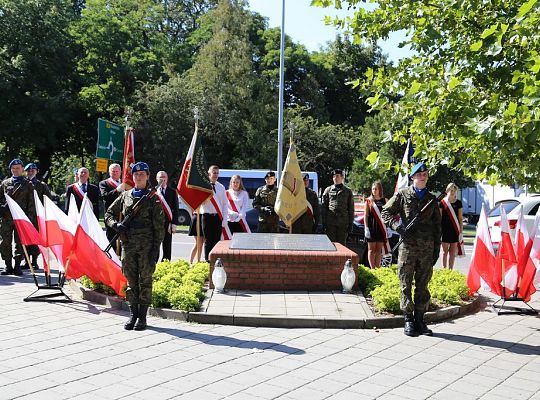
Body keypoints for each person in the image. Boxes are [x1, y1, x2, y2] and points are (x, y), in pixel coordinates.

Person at [382, 162, 441, 337]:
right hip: (407, 248)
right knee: (405, 284)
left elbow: (437, 226)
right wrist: (397, 227)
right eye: (419, 174)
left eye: (425, 174)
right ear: (413, 177)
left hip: (426, 249)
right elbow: (386, 212)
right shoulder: (403, 195)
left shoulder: (432, 199)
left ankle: (420, 320)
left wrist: (436, 249)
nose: (422, 176)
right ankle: (408, 320)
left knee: (423, 286)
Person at [105, 162, 164, 331]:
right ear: (132, 177)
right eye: (136, 174)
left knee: (145, 281)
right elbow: (109, 213)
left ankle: (143, 318)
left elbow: (159, 226)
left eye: (142, 174)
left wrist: (155, 248)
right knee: (131, 281)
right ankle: (133, 315)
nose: (139, 177)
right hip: (128, 244)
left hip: (146, 246)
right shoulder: (125, 195)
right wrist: (116, 225)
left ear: (147, 176)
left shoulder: (153, 198)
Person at [0, 159, 35, 276]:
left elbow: (31, 203)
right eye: (13, 168)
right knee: (5, 242)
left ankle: (17, 266)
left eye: (18, 168)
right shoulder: (5, 183)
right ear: (11, 169)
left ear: (22, 169)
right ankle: (8, 265)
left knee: (20, 242)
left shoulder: (28, 184)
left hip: (21, 218)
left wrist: (29, 219)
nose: (15, 170)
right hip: (6, 217)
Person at [23, 162, 51, 270]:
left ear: (36, 171)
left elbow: (47, 200)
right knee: (24, 239)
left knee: (35, 240)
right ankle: (26, 261)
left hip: (36, 217)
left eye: (32, 170)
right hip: (24, 217)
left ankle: (34, 260)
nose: (30, 172)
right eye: (28, 171)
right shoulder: (22, 184)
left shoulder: (42, 185)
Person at [199, 165, 228, 261]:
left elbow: (224, 204)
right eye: (214, 172)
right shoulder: (203, 186)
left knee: (217, 241)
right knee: (208, 241)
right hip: (206, 217)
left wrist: (224, 219)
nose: (215, 175)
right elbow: (199, 202)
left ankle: (216, 261)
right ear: (209, 174)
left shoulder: (221, 187)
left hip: (217, 217)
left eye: (217, 173)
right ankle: (208, 261)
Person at [322, 169, 354, 245]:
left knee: (342, 245)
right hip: (331, 223)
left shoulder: (348, 191)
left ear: (342, 177)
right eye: (334, 176)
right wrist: (324, 223)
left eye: (337, 176)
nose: (335, 178)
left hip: (343, 223)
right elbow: (324, 208)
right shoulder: (328, 190)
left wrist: (350, 223)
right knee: (331, 245)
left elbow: (351, 209)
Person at [364, 181, 389, 269]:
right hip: (372, 227)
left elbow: (388, 215)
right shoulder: (368, 201)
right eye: (373, 189)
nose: (374, 190)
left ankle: (378, 268)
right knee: (371, 250)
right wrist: (366, 228)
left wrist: (388, 228)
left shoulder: (385, 200)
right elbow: (366, 216)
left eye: (376, 189)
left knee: (378, 250)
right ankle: (372, 269)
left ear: (379, 190)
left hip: (381, 228)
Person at [155, 171, 179, 262]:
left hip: (167, 224)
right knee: (155, 247)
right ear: (156, 179)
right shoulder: (153, 192)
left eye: (164, 177)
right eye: (160, 177)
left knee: (167, 247)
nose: (162, 179)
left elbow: (175, 209)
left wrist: (174, 223)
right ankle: (154, 265)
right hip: (156, 224)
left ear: (167, 179)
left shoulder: (172, 192)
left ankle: (166, 265)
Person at [99, 163, 125, 243]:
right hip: (111, 216)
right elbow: (105, 196)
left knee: (124, 240)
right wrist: (116, 190)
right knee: (111, 240)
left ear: (121, 172)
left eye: (117, 171)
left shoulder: (125, 184)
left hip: (124, 214)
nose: (115, 173)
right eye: (113, 171)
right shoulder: (104, 183)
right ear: (109, 172)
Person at [440, 183, 463, 270]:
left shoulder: (459, 203)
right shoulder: (442, 202)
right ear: (447, 191)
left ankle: (450, 270)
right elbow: (440, 217)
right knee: (444, 252)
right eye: (450, 190)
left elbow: (460, 218)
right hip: (444, 230)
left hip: (454, 230)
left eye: (454, 190)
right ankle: (444, 269)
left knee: (452, 252)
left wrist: (461, 231)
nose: (452, 192)